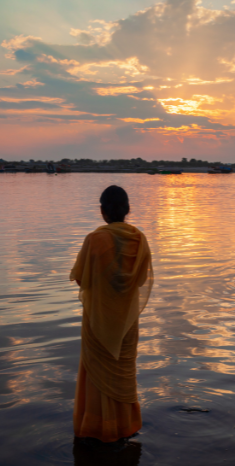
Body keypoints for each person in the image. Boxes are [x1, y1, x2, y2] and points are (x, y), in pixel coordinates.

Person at [70, 185, 153, 443]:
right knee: (123, 371)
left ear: (102, 211)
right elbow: (139, 280)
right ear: (127, 210)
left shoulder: (95, 239)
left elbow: (81, 279)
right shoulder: (140, 240)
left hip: (99, 321)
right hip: (126, 321)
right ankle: (124, 427)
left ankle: (96, 429)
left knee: (96, 375)